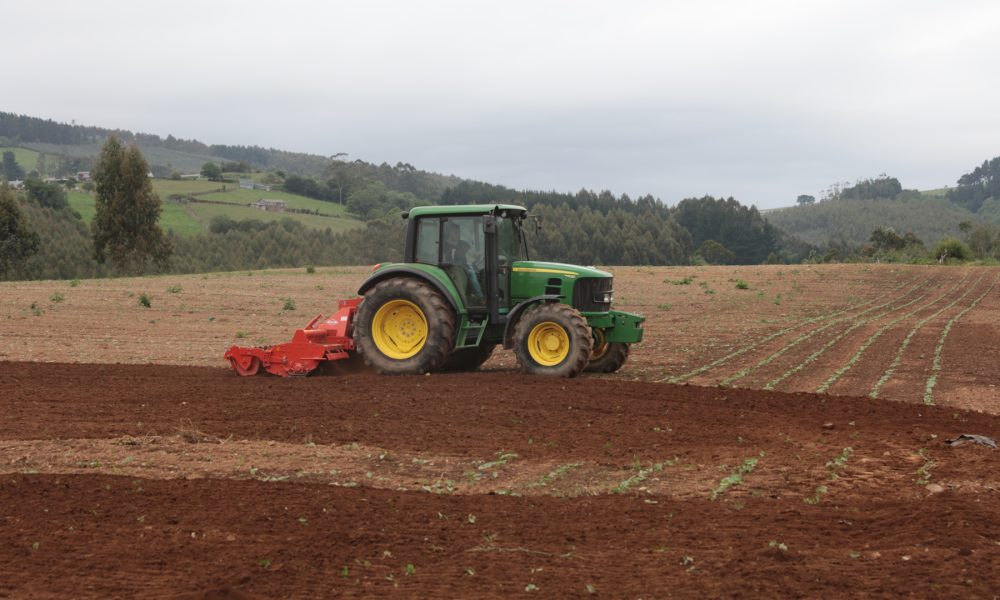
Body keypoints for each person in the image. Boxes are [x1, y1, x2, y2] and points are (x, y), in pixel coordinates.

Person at [443, 222, 486, 299]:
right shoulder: (444, 245)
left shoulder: (463, 243)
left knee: (474, 273)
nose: (458, 234)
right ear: (450, 232)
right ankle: (465, 298)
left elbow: (473, 254)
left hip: (463, 267)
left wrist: (483, 251)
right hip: (451, 267)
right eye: (456, 232)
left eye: (459, 232)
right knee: (468, 274)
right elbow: (443, 259)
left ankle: (480, 297)